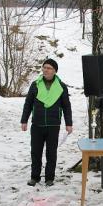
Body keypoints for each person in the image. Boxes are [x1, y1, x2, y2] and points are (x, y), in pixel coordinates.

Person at [21, 59, 73, 187]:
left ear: (55, 70)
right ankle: (35, 177)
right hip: (37, 124)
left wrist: (69, 123)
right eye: (44, 67)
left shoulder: (61, 87)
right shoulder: (35, 85)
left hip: (53, 125)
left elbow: (66, 106)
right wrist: (24, 120)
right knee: (36, 152)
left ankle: (49, 178)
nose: (45, 70)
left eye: (49, 68)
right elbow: (28, 104)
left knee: (51, 153)